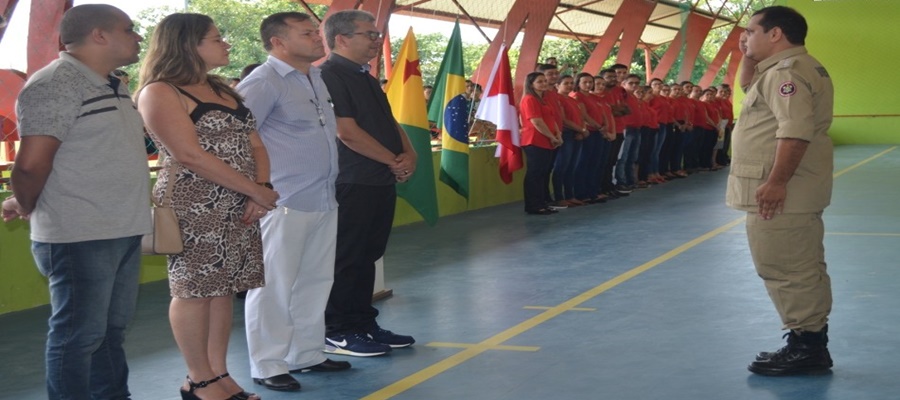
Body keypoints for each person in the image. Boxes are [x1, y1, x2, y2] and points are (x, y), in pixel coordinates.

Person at [0, 5, 149, 398]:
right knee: (78, 336)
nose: (137, 36)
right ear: (99, 35)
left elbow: (84, 156)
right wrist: (28, 202)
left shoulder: (112, 83)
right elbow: (30, 165)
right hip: (80, 233)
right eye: (128, 29)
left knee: (110, 333)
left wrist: (24, 201)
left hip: (122, 227)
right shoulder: (56, 83)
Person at [136, 13, 278, 399]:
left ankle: (218, 374)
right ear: (188, 44)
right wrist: (255, 190)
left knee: (223, 287)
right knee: (193, 289)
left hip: (240, 200)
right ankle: (199, 379)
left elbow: (256, 145)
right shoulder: (161, 91)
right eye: (217, 38)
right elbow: (188, 154)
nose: (226, 43)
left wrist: (258, 189)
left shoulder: (224, 90)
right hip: (194, 202)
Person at [236, 11, 350, 392]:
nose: (319, 39)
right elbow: (238, 138)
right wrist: (256, 188)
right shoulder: (263, 81)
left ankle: (307, 354)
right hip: (282, 200)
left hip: (321, 195)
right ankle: (267, 364)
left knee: (315, 281)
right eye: (307, 33)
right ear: (278, 43)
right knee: (274, 285)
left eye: (315, 32)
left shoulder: (315, 76)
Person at [727, 5, 835, 376]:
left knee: (786, 268)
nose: (745, 37)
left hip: (783, 194)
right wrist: (746, 54)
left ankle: (807, 347)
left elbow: (794, 131)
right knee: (801, 265)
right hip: (797, 191)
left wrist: (775, 183)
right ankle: (809, 340)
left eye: (751, 31)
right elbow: (747, 87)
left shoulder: (786, 74)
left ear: (775, 34)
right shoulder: (782, 70)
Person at [320, 9, 417, 357]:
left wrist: (409, 154)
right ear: (342, 38)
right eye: (369, 34)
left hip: (378, 178)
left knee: (369, 255)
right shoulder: (329, 74)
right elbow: (346, 132)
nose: (377, 40)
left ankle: (363, 323)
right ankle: (338, 329)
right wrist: (393, 161)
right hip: (353, 178)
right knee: (347, 257)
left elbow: (390, 122)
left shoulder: (365, 76)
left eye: (377, 34)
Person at [519, 71, 562, 215]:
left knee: (543, 172)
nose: (544, 83)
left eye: (544, 81)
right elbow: (536, 121)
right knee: (535, 173)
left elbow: (551, 118)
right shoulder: (529, 99)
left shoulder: (544, 99)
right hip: (534, 140)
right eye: (540, 81)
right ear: (531, 84)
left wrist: (557, 135)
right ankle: (533, 205)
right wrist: (552, 136)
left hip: (547, 140)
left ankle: (543, 201)